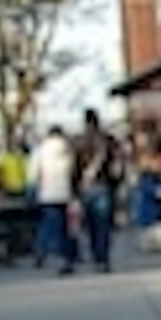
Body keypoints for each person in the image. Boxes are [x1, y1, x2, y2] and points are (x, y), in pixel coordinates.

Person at [71, 108, 124, 272]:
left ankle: (95, 255)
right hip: (104, 185)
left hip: (85, 187)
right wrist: (117, 184)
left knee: (91, 226)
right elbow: (118, 165)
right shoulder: (108, 140)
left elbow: (73, 168)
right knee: (103, 225)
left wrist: (74, 189)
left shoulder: (78, 141)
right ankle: (103, 258)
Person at [25, 125, 81, 274]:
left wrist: (31, 191)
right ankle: (68, 256)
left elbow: (33, 174)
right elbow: (75, 171)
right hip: (66, 193)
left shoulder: (40, 150)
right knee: (67, 227)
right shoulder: (68, 150)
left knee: (48, 224)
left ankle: (42, 253)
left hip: (47, 193)